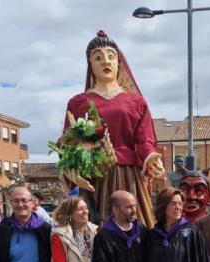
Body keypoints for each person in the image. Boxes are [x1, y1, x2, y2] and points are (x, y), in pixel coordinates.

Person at [63, 30, 165, 228]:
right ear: (90, 64)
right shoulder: (78, 103)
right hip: (94, 177)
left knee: (135, 224)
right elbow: (68, 143)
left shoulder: (136, 102)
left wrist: (150, 156)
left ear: (119, 62)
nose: (105, 61)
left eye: (111, 56)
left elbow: (145, 138)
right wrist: (72, 167)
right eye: (98, 58)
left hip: (128, 175)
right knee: (93, 227)